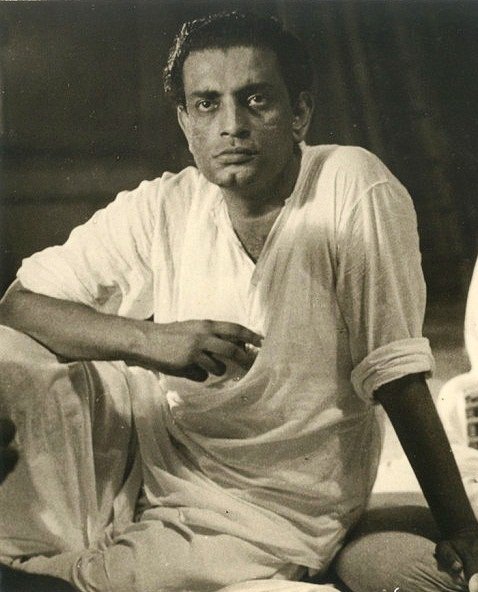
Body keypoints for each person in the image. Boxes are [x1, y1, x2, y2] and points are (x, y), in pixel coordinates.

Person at [0, 11, 477, 592]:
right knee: (9, 354)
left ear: (299, 113)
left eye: (256, 100)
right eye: (207, 104)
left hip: (274, 503)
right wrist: (149, 341)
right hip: (148, 450)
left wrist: (463, 528)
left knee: (113, 582)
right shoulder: (165, 204)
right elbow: (19, 304)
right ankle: (33, 549)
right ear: (185, 123)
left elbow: (395, 373)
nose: (232, 126)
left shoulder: (350, 185)